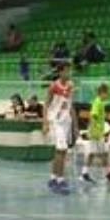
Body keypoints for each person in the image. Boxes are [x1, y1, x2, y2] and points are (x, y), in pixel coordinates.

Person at [42, 62, 75, 194]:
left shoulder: (71, 85)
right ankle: (60, 180)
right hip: (55, 120)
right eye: (66, 71)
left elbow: (70, 105)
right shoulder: (53, 86)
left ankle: (54, 178)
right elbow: (45, 104)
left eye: (69, 71)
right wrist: (45, 122)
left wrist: (75, 125)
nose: (68, 73)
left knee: (63, 151)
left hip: (66, 121)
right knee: (60, 149)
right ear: (60, 72)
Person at [80, 83, 110, 184]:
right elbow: (93, 116)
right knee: (103, 153)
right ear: (102, 92)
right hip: (96, 133)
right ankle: (108, 173)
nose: (108, 95)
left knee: (92, 153)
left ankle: (84, 173)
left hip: (98, 132)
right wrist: (93, 129)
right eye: (107, 93)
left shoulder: (100, 102)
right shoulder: (97, 102)